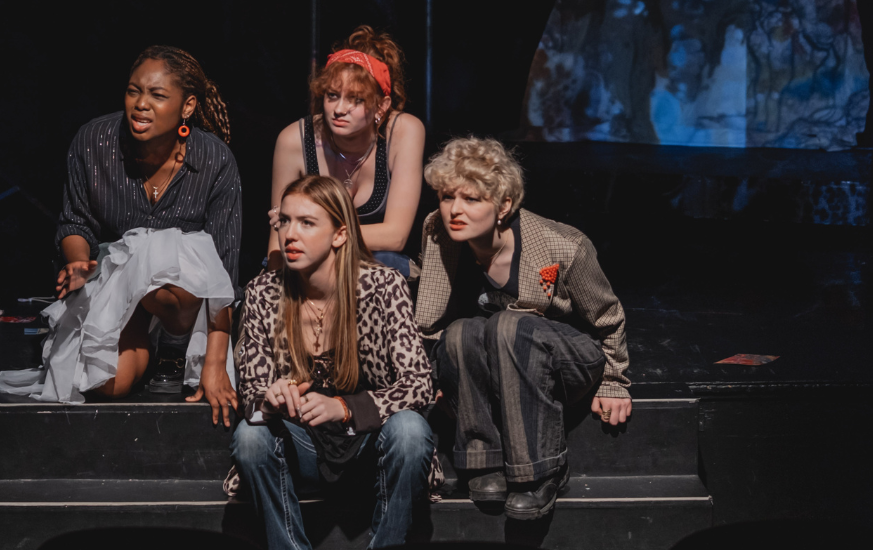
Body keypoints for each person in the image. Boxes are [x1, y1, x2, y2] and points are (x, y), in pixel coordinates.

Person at [0, 46, 240, 426]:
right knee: (109, 384)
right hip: (116, 279)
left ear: (187, 107)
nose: (141, 104)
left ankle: (173, 347)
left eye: (157, 95)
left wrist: (216, 364)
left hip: (180, 295)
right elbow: (76, 223)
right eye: (133, 91)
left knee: (162, 258)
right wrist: (76, 261)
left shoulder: (214, 160)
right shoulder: (94, 142)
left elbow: (224, 268)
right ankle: (146, 350)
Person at [410, 137, 633, 519]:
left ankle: (542, 470)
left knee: (509, 325)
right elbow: (429, 318)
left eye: (472, 199)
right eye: (447, 197)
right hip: (493, 361)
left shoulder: (561, 245)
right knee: (462, 331)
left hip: (565, 361)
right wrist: (429, 378)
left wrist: (614, 380)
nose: (454, 210)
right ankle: (484, 462)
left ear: (504, 206)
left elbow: (607, 319)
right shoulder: (438, 232)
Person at [230, 175, 437, 549]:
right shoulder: (262, 291)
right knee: (250, 436)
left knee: (410, 431)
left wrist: (343, 407)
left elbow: (419, 384)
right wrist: (271, 397)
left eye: (307, 223)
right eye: (285, 222)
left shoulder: (383, 286)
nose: (290, 234)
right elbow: (251, 391)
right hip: (303, 447)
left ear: (339, 234)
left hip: (369, 447)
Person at [267, 26, 426, 278]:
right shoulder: (294, 140)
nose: (339, 109)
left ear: (381, 107)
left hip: (376, 266)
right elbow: (278, 238)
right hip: (310, 268)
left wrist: (313, 233)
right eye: (332, 95)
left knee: (387, 263)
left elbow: (396, 236)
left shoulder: (404, 132)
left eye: (356, 99)